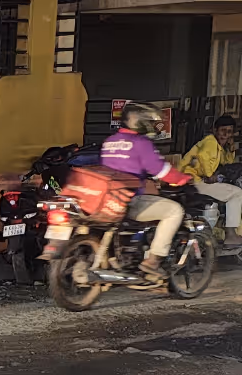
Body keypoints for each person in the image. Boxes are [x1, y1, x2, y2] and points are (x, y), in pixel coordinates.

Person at [101, 102, 193, 277]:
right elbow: (161, 170)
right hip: (128, 200)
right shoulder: (141, 143)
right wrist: (183, 178)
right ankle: (153, 260)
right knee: (174, 211)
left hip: (107, 200)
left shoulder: (110, 141)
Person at [179, 114, 242, 247]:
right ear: (215, 130)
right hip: (193, 181)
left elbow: (227, 164)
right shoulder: (210, 141)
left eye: (229, 131)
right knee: (237, 193)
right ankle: (231, 234)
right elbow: (203, 156)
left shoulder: (220, 147)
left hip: (195, 181)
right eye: (222, 130)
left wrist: (230, 149)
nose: (226, 134)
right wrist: (209, 175)